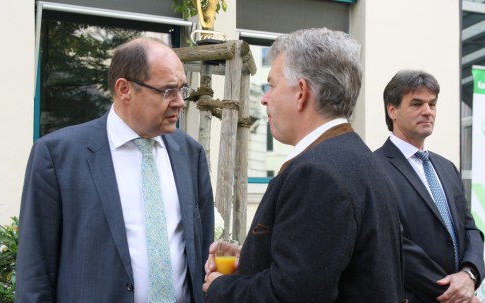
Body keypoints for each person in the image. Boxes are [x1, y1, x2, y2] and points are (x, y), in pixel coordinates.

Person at [203, 27, 404, 302]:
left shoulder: (316, 174)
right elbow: (320, 267)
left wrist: (220, 287)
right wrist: (252, 257)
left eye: (271, 85)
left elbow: (291, 294)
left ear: (301, 92)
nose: (264, 98)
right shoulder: (359, 159)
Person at [15, 37, 214, 302]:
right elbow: (35, 269)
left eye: (182, 90)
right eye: (167, 91)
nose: (180, 102)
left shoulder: (190, 153)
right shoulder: (57, 155)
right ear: (124, 89)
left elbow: (202, 252)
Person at [374, 70, 485, 303]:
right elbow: (394, 244)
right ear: (391, 110)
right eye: (416, 104)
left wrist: (469, 274)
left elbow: (469, 228)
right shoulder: (373, 169)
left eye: (432, 104)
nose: (427, 111)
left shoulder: (447, 167)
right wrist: (455, 295)